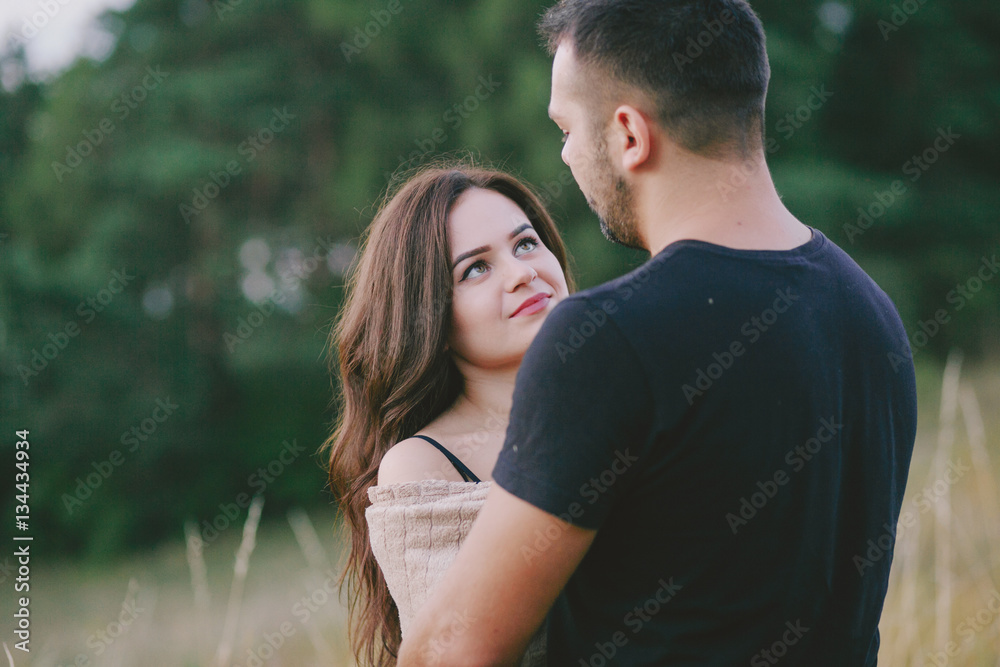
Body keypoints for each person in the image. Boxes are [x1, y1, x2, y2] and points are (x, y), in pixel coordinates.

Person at [397, 1, 918, 665]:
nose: (565, 154)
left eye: (566, 128)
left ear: (628, 135)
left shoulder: (605, 340)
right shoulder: (871, 312)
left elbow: (450, 652)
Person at [323, 161, 574, 666]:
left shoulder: (630, 393)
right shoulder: (424, 466)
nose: (523, 273)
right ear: (428, 313)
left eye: (525, 243)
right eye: (476, 268)